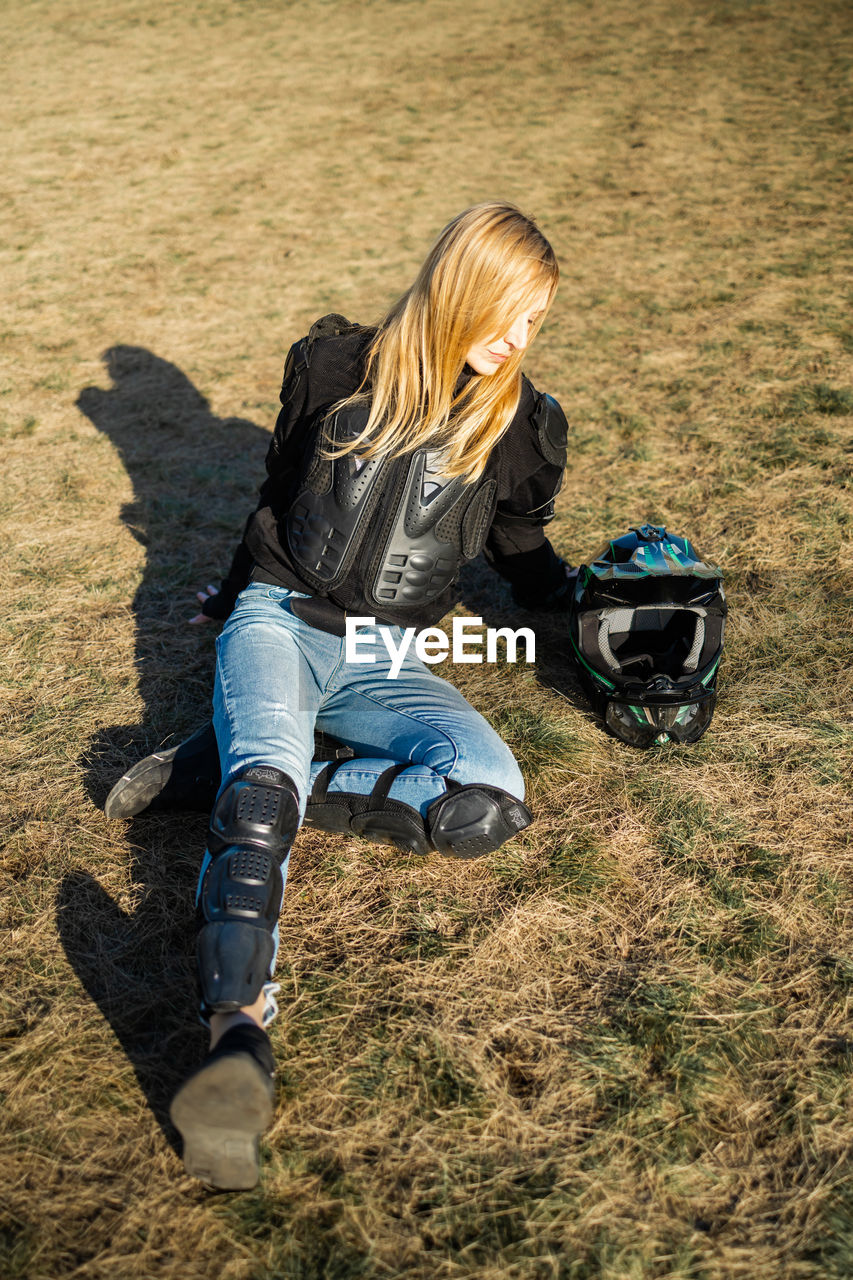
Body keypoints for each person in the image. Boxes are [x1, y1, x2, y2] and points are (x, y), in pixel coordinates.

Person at [111, 203, 572, 1189]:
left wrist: (576, 615)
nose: (517, 339)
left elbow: (524, 553)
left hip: (385, 658)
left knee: (484, 798)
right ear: (457, 283)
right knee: (261, 814)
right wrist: (234, 594)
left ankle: (227, 757)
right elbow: (278, 497)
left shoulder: (523, 429)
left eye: (536, 320)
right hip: (280, 620)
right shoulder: (333, 368)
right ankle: (236, 1041)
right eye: (506, 310)